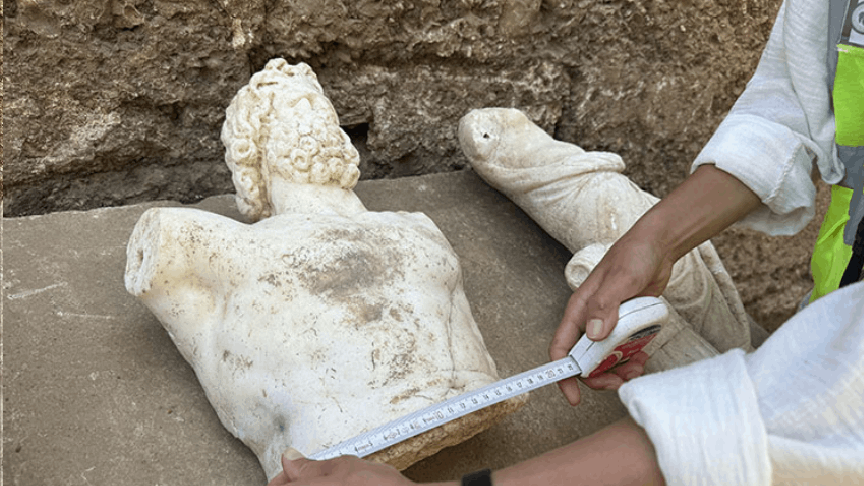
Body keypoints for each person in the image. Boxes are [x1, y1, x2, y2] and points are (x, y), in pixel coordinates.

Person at [265, 0, 864, 483]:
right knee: (616, 251)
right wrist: (654, 236)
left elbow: (796, 420)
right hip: (834, 306)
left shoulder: (408, 233)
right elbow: (796, 97)